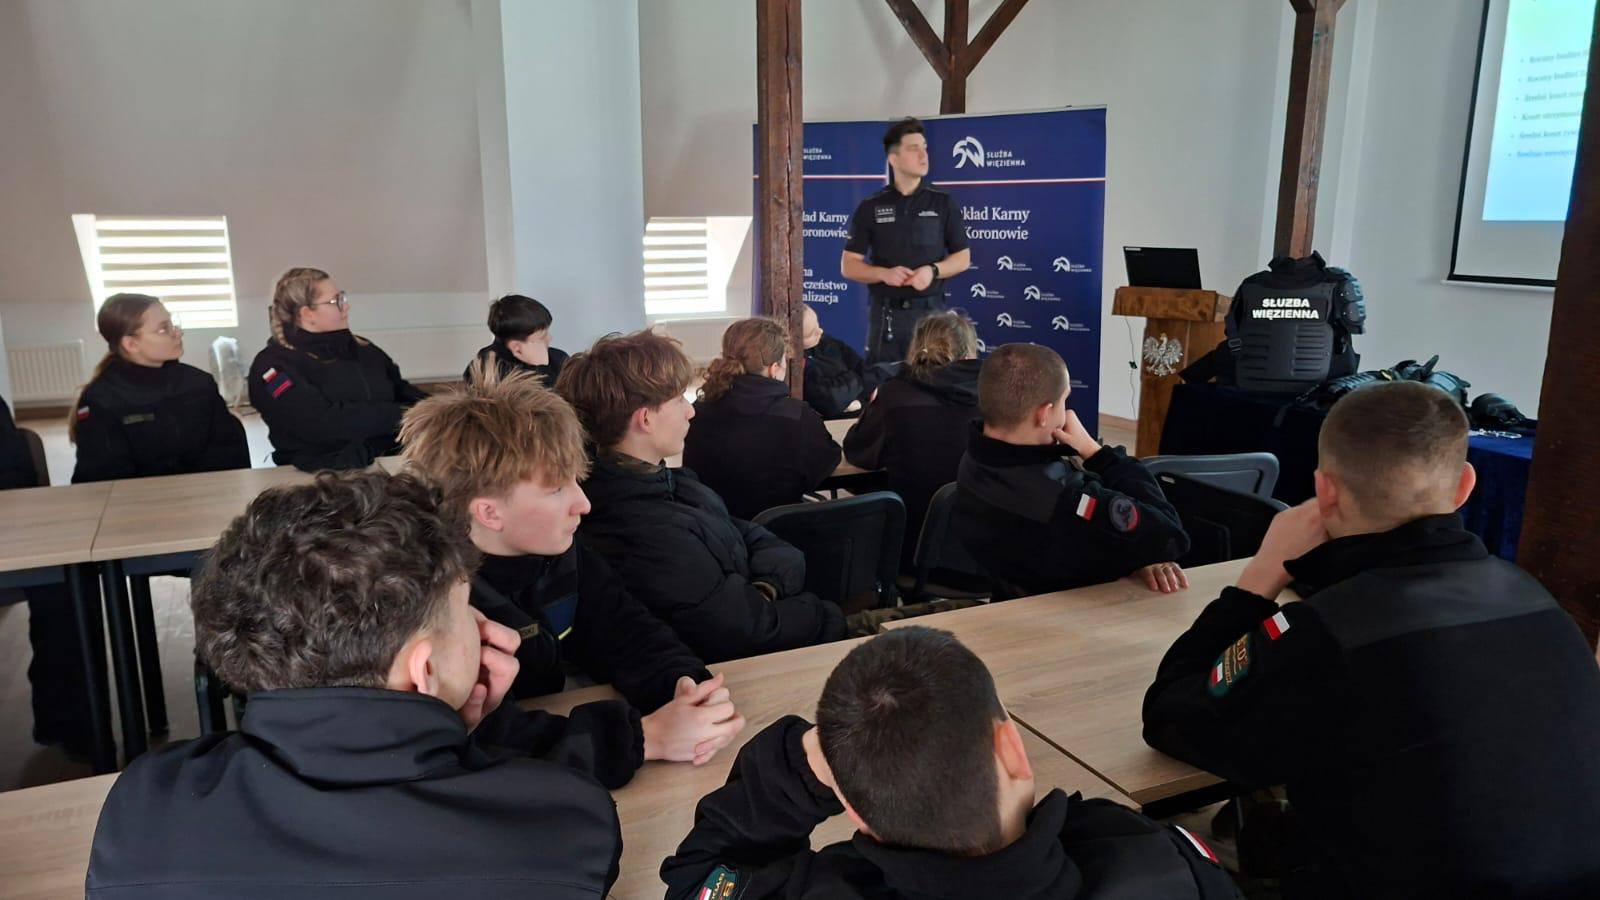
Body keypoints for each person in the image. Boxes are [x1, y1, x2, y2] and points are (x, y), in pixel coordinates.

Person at [87, 471, 740, 897]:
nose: (490, 630)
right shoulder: (561, 820)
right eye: (464, 610)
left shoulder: (146, 800)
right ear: (424, 669)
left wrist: (448, 726)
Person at [1143, 382, 1600, 898]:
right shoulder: (1535, 599)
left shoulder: (1328, 633)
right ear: (1465, 485)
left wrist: (1259, 579)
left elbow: (1169, 716)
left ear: (1325, 491)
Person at [662, 626, 1241, 899]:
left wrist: (805, 761)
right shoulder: (1158, 859)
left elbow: (696, 885)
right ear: (1013, 749)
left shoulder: (826, 889)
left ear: (854, 813)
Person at [400, 365, 736, 726]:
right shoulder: (433, 602)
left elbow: (627, 630)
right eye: (557, 489)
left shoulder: (563, 554)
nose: (584, 504)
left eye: (576, 480)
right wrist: (643, 738)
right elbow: (488, 737)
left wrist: (683, 686)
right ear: (489, 513)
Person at [554, 329, 846, 662]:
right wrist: (829, 615)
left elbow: (758, 539)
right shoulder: (639, 528)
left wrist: (765, 588)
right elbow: (745, 630)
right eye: (679, 399)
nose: (690, 411)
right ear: (645, 419)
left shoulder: (677, 483)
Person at [954, 343, 1189, 598]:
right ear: (1044, 414)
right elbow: (1170, 537)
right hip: (1074, 609)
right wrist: (1098, 454)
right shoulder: (1066, 500)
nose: (1067, 412)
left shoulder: (975, 457)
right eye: (1064, 400)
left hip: (1010, 597)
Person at [248, 267, 427, 471]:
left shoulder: (363, 349)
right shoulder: (272, 367)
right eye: (336, 301)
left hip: (388, 462)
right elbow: (320, 423)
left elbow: (401, 390)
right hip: (317, 475)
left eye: (343, 297)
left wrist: (438, 410)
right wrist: (405, 415)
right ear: (307, 314)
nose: (346, 306)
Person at [844, 311, 981, 568]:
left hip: (908, 545)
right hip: (976, 551)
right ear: (970, 351)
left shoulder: (894, 394)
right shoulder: (992, 398)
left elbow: (858, 452)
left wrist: (871, 411)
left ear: (916, 346)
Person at [70, 293, 249, 483]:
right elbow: (102, 480)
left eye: (173, 324)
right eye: (164, 329)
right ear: (131, 344)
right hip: (139, 498)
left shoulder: (199, 383)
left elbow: (228, 454)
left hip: (207, 492)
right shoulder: (101, 400)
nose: (178, 333)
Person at [683, 317, 841, 519]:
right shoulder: (796, 416)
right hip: (779, 532)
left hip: (713, 529)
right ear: (774, 369)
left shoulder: (697, 412)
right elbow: (827, 461)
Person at [842, 117, 971, 364]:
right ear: (894, 159)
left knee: (934, 377)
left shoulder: (942, 202)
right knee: (883, 379)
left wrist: (933, 271)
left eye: (925, 148)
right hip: (886, 315)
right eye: (914, 149)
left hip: (931, 314)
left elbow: (963, 258)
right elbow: (849, 265)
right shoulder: (871, 206)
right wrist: (883, 274)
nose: (924, 155)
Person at [463, 293, 569, 385]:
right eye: (542, 337)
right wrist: (541, 368)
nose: (550, 338)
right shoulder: (486, 370)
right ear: (517, 348)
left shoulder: (558, 358)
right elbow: (543, 400)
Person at [800, 304, 882, 419]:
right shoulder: (797, 365)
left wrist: (857, 401)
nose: (820, 331)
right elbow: (830, 401)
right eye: (811, 333)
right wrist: (856, 378)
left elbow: (868, 373)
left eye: (818, 325)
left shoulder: (828, 343)